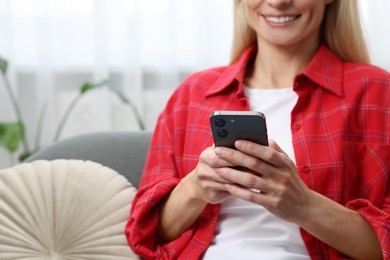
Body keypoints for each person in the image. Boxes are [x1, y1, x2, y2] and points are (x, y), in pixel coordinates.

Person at [126, 0, 389, 259]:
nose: (278, 2)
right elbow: (148, 235)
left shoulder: (377, 93)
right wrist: (196, 188)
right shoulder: (192, 94)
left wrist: (304, 206)